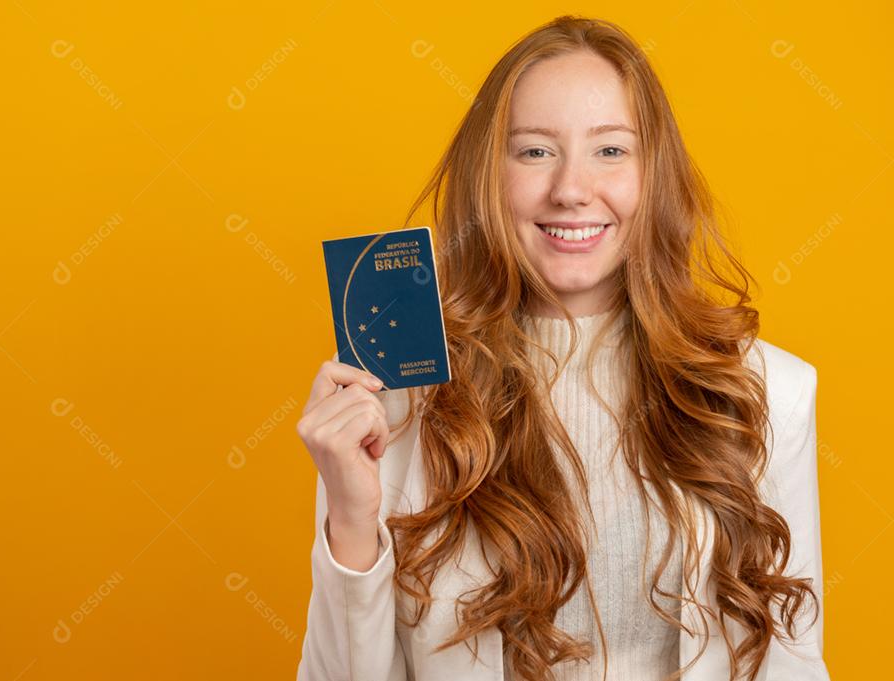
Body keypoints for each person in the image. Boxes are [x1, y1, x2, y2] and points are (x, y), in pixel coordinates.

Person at [295, 14, 828, 681]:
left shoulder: (765, 391)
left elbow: (794, 662)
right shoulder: (395, 400)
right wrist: (350, 518)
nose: (572, 189)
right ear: (490, 174)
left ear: (653, 173)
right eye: (534, 151)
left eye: (610, 150)